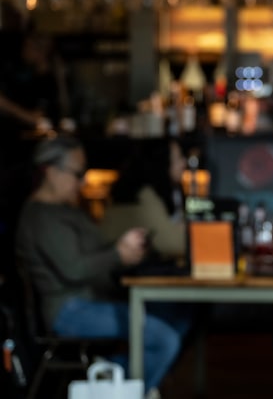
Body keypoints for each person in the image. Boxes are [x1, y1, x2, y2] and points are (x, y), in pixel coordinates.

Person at [14, 135, 191, 398]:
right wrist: (118, 254)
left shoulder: (67, 210)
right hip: (70, 311)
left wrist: (127, 251)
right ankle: (107, 381)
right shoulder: (41, 217)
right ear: (51, 172)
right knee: (164, 339)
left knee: (178, 313)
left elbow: (95, 254)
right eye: (77, 174)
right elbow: (73, 270)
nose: (83, 182)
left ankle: (113, 379)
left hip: (94, 300)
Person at [102, 139, 188, 259]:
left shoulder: (165, 192)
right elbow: (175, 244)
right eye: (178, 158)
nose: (184, 163)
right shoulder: (144, 195)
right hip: (126, 268)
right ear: (162, 163)